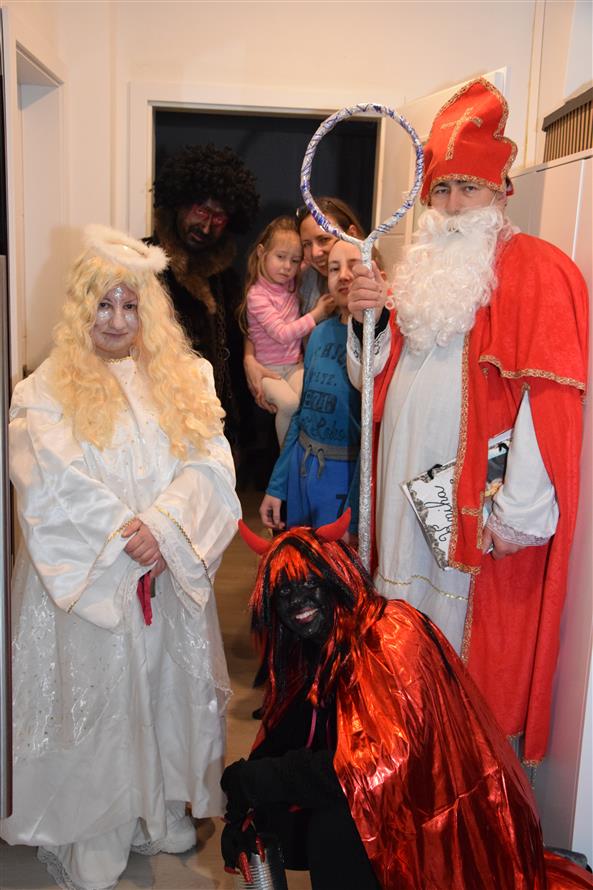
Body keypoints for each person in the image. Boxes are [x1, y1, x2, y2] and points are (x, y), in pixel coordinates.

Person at [346, 77, 588, 764]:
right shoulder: (415, 275)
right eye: (442, 191)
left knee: (460, 654)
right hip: (404, 494)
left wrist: (519, 512)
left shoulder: (535, 270)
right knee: (404, 640)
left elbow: (546, 408)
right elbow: (371, 381)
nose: (451, 208)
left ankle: (456, 778)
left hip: (471, 506)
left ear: (500, 193)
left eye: (468, 190)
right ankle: (407, 759)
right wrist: (367, 322)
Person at [0, 225, 242, 890]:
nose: (115, 320)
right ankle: (94, 828)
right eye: (102, 305)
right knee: (100, 698)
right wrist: (122, 537)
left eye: (130, 306)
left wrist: (165, 529)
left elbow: (210, 464)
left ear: (150, 312)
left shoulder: (186, 379)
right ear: (81, 309)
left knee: (162, 690)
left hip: (164, 569)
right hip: (94, 580)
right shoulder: (45, 390)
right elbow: (53, 480)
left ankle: (154, 811)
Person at [220, 515, 593, 890]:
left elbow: (376, 766)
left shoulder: (389, 635)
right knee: (272, 818)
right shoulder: (309, 649)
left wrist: (267, 779)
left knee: (332, 827)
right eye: (283, 592)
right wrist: (246, 807)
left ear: (336, 580)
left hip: (434, 818)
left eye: (309, 583)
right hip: (381, 804)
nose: (297, 601)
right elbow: (289, 734)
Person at [259, 239, 380, 540]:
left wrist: (354, 517)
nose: (344, 275)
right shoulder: (320, 333)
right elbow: (301, 416)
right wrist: (277, 485)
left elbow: (372, 437)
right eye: (334, 269)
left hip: (342, 479)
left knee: (333, 562)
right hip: (302, 473)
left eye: (354, 265)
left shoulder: (377, 344)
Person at [150, 143, 259, 448]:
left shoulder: (227, 280)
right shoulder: (142, 264)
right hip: (159, 428)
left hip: (216, 429)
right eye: (201, 211)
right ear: (180, 203)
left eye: (219, 218)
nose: (207, 226)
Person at [244, 197, 365, 412]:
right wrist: (249, 358)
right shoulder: (303, 277)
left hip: (349, 409)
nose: (315, 252)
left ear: (352, 234)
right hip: (304, 393)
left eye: (324, 239)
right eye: (307, 245)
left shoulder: (370, 284)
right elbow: (263, 322)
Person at [238, 216, 334, 444]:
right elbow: (281, 334)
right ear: (262, 253)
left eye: (294, 260)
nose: (287, 267)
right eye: (280, 257)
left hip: (294, 366)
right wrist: (317, 314)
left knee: (306, 400)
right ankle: (286, 454)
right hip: (268, 370)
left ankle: (300, 450)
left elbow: (308, 261)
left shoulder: (289, 281)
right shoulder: (257, 296)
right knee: (289, 404)